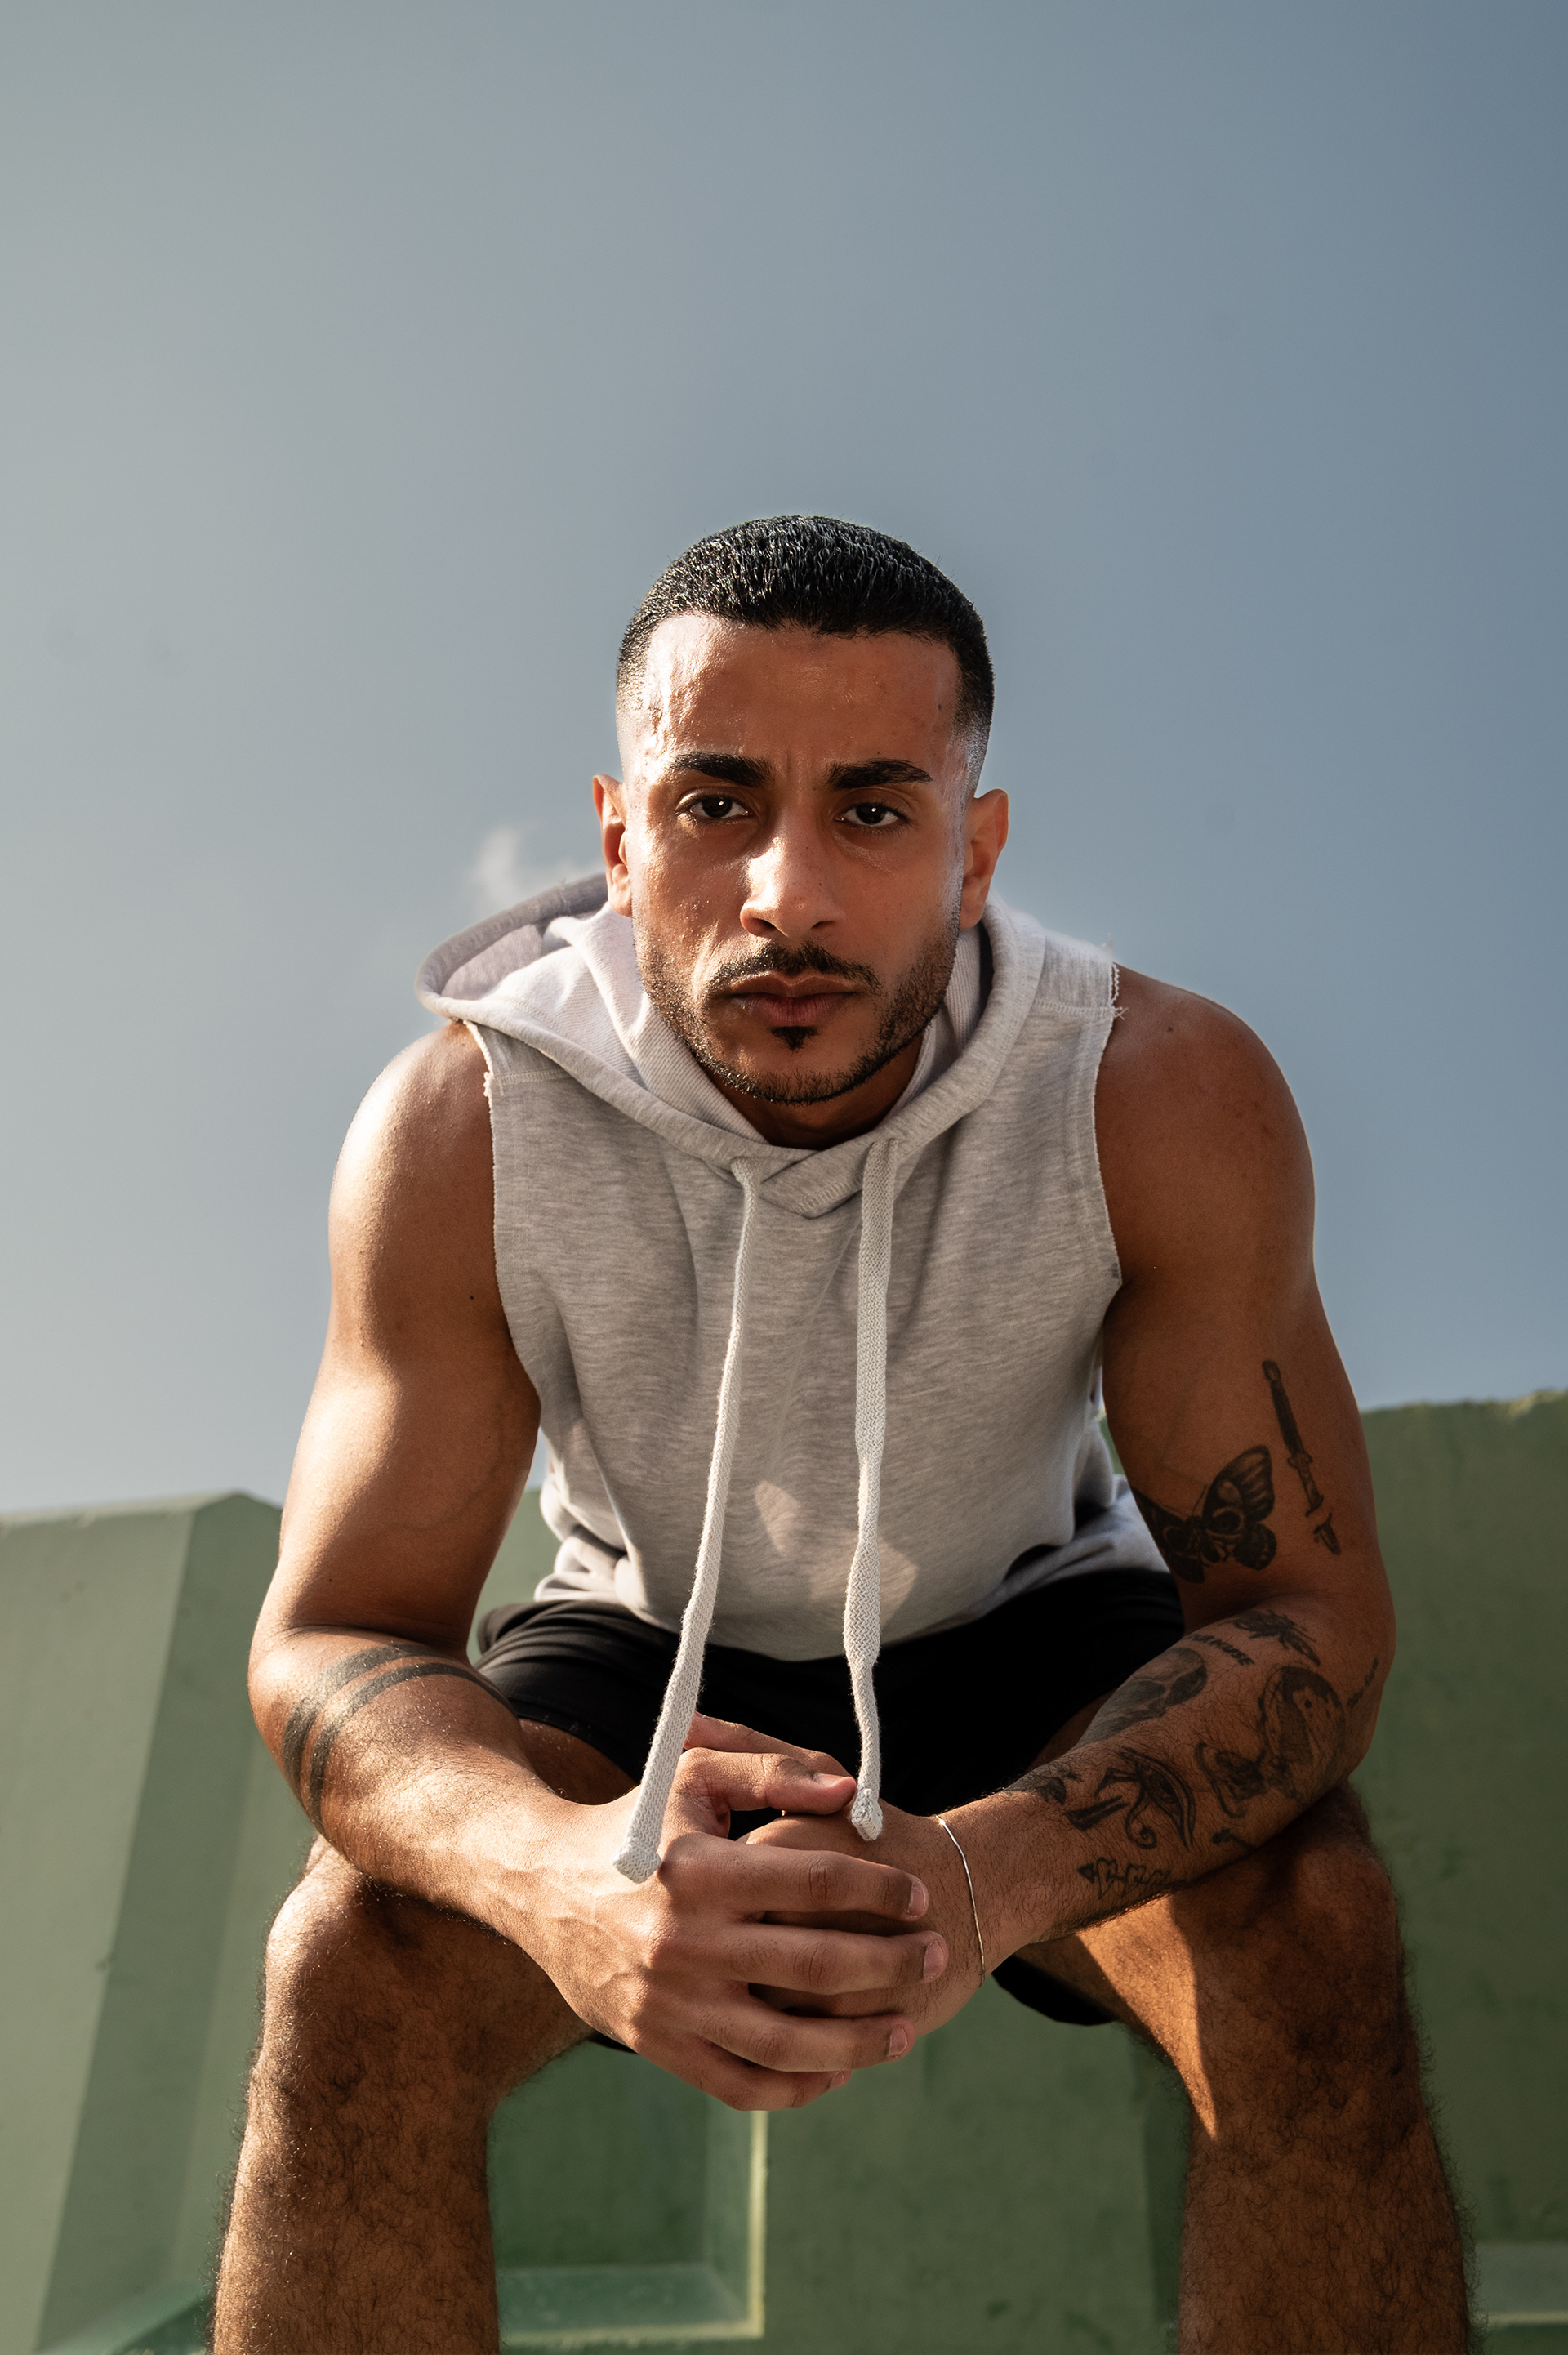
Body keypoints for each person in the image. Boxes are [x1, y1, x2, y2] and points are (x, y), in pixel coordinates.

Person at [215, 517, 1468, 2354]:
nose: (785, 895)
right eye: (715, 804)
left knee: (1311, 1921)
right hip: (646, 1638)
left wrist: (987, 1873)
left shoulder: (1154, 1092)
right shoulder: (463, 1129)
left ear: (977, 850)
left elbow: (1310, 1621)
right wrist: (552, 1872)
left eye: (874, 810)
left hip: (1028, 1618)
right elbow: (335, 1633)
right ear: (620, 837)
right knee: (349, 1961)